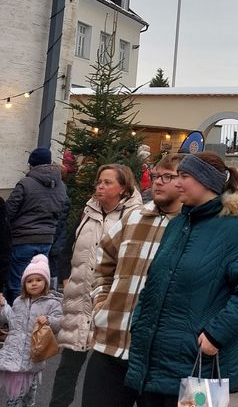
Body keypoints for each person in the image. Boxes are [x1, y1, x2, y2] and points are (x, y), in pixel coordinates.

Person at [125, 152, 238, 405]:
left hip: (199, 365)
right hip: (152, 359)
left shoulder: (236, 227)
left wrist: (217, 334)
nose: (177, 182)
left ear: (207, 181)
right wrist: (138, 322)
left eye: (184, 176)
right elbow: (155, 281)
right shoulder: (177, 224)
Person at [78, 155, 183, 407]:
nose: (158, 182)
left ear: (187, 182)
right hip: (111, 345)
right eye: (156, 175)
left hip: (158, 358)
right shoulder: (134, 218)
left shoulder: (191, 226)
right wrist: (102, 304)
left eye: (168, 176)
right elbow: (104, 261)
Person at [49, 165, 143, 407]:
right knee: (68, 367)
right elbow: (69, 246)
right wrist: (66, 277)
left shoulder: (136, 217)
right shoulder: (88, 211)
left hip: (112, 306)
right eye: (99, 181)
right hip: (80, 302)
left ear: (123, 188)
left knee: (104, 375)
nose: (100, 186)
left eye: (107, 182)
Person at [0, 254, 62, 407]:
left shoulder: (52, 303)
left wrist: (48, 319)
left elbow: (60, 323)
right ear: (24, 284)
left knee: (30, 389)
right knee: (16, 393)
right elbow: (11, 322)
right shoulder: (18, 301)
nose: (34, 283)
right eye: (29, 281)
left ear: (46, 282)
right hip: (15, 353)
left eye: (38, 280)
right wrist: (4, 306)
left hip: (34, 353)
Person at [5, 149, 68, 300]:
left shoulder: (25, 183)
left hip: (22, 239)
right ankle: (35, 310)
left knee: (18, 281)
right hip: (47, 239)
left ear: (31, 164)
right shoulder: (61, 186)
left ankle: (18, 312)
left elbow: (9, 210)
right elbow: (61, 212)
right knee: (39, 280)